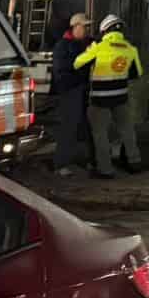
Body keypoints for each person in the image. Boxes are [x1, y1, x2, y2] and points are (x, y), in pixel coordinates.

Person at [74, 14, 145, 179]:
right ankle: (134, 162)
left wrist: (89, 52)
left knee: (101, 135)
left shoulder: (98, 47)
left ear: (104, 30)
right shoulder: (130, 49)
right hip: (121, 98)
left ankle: (105, 170)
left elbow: (77, 63)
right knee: (127, 131)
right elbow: (137, 73)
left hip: (99, 100)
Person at [51, 13, 94, 176]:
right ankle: (60, 164)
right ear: (75, 27)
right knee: (69, 127)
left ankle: (84, 160)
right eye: (85, 26)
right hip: (70, 91)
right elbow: (62, 71)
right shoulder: (63, 46)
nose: (88, 29)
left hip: (82, 90)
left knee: (84, 126)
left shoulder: (84, 43)